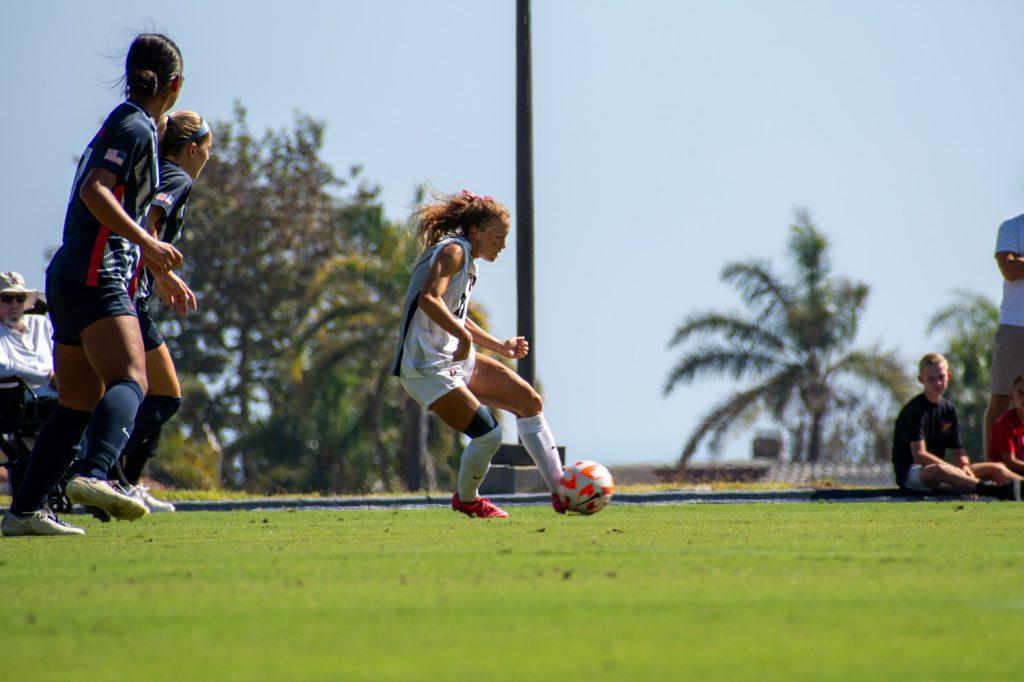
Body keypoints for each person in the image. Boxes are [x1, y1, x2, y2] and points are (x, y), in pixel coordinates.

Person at [2, 34, 186, 537]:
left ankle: (24, 512)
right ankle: (96, 474)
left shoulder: (123, 121)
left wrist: (155, 261)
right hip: (94, 271)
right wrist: (147, 241)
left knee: (78, 400)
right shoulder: (134, 127)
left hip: (69, 272)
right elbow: (94, 191)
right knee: (132, 378)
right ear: (175, 83)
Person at [390, 189, 565, 519]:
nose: (502, 245)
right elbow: (429, 299)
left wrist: (500, 346)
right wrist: (464, 340)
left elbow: (457, 315)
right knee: (488, 435)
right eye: (498, 237)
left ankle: (561, 491)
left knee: (529, 402)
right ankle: (467, 499)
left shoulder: (468, 261)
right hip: (424, 368)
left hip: (451, 358)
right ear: (476, 232)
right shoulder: (454, 252)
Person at [111, 110, 210, 514]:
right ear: (191, 149)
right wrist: (164, 275)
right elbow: (148, 224)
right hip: (130, 297)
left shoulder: (163, 173)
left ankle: (122, 483)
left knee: (150, 393)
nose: (207, 157)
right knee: (166, 395)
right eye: (207, 149)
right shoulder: (176, 177)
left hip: (128, 294)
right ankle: (94, 467)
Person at [892, 353, 1022, 499]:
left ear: (949, 376)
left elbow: (958, 451)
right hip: (915, 474)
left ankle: (1019, 488)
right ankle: (990, 490)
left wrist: (964, 466)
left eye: (941, 377)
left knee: (997, 468)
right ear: (921, 379)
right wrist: (954, 469)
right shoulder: (915, 410)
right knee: (939, 470)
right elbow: (920, 455)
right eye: (931, 379)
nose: (938, 383)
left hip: (947, 471)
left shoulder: (948, 410)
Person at [984, 213, 1024, 456]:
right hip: (1015, 326)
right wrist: (1015, 264)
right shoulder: (1011, 228)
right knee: (1001, 397)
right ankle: (992, 472)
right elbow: (1008, 268)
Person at [0, 272, 57, 400]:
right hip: (25, 402)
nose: (14, 304)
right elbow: (3, 366)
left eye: (20, 299)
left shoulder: (41, 323)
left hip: (64, 393)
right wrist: (48, 378)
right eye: (7, 298)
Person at [987, 373, 1024, 476]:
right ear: (1012, 397)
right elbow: (1010, 462)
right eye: (1021, 393)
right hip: (1007, 476)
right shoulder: (1005, 423)